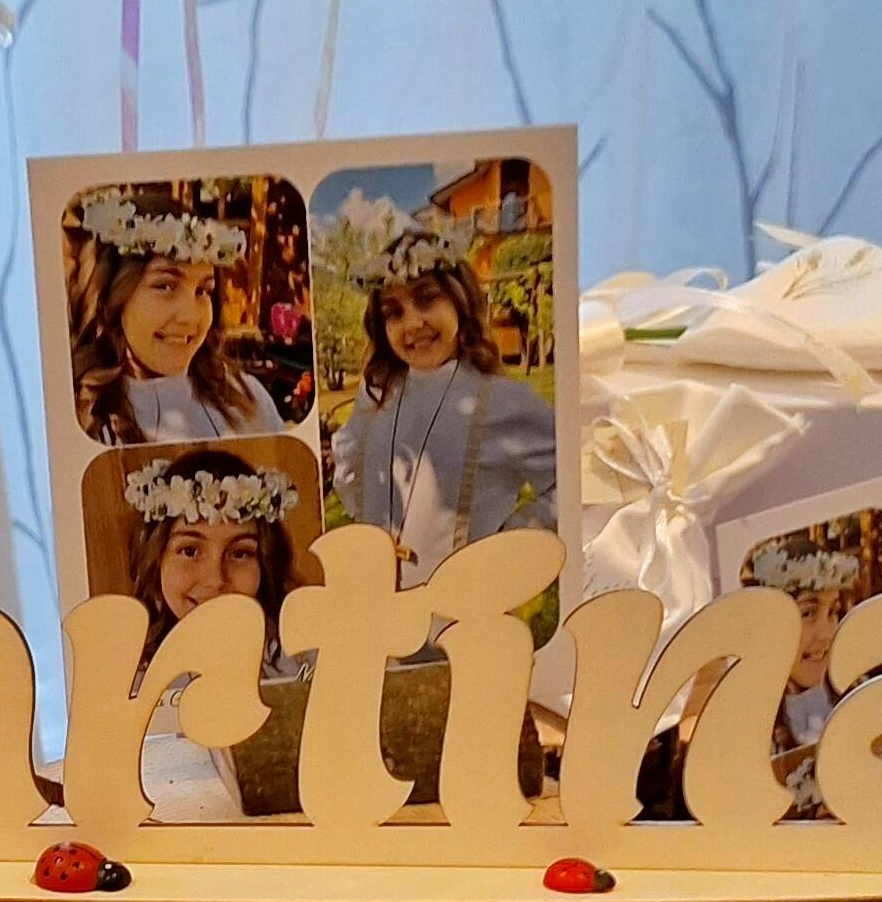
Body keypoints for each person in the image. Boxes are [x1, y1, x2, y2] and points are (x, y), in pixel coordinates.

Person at [329, 218, 556, 577]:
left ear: (459, 300)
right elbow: (353, 474)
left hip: (461, 596)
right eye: (394, 312)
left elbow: (568, 482)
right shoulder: (377, 392)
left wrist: (505, 544)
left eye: (426, 299)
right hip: (376, 592)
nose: (412, 324)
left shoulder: (502, 401)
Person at [121, 453, 299, 820]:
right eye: (189, 550)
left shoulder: (301, 659)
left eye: (240, 553)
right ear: (156, 559)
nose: (215, 579)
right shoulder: (130, 679)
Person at [67, 190, 285, 443]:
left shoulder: (249, 401)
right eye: (165, 286)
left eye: (202, 291)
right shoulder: (77, 419)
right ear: (111, 298)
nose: (190, 318)